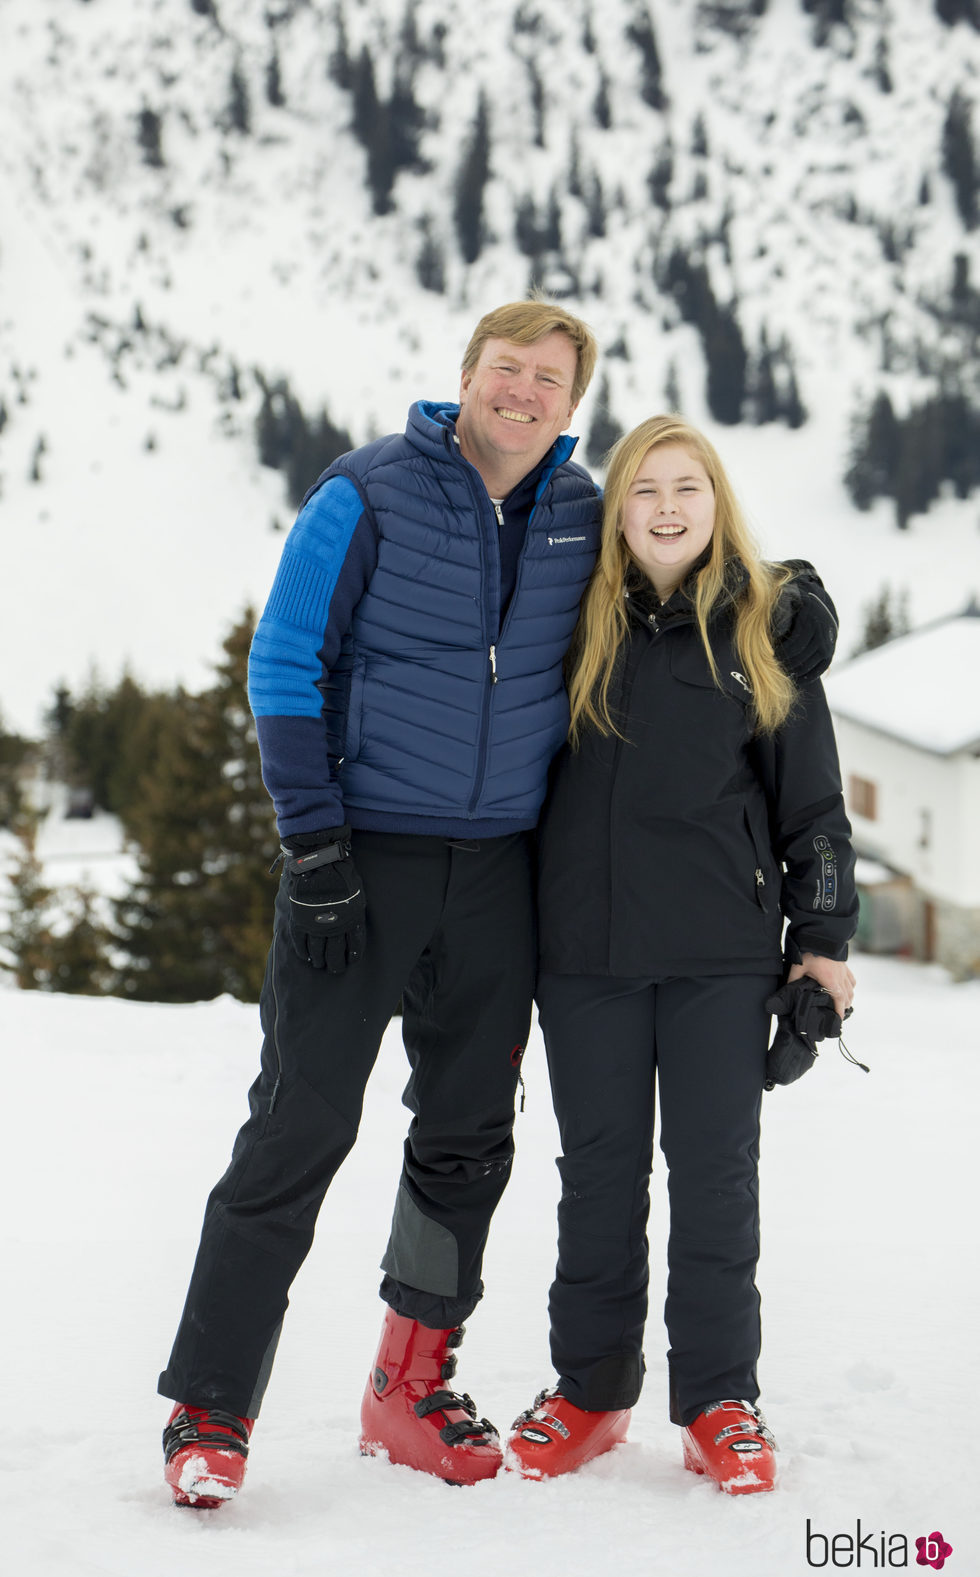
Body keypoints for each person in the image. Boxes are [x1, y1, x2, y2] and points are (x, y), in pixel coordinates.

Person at [158, 299, 604, 1505]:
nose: (523, 391)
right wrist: (313, 850)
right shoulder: (365, 491)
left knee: (466, 1135)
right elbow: (283, 660)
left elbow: (682, 582)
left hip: (499, 870)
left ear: (573, 403)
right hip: (361, 858)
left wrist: (779, 602)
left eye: (549, 378)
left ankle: (408, 1383)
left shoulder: (582, 514)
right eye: (505, 368)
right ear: (464, 377)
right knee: (299, 1122)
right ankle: (210, 1405)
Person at [505, 415, 858, 1494]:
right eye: (643, 488)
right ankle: (590, 1390)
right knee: (596, 1179)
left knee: (714, 1179)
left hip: (718, 954)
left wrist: (823, 946)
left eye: (686, 488)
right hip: (585, 953)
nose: (664, 506)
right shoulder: (567, 624)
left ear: (717, 506)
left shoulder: (763, 629)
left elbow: (813, 807)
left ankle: (718, 1400)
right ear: (616, 508)